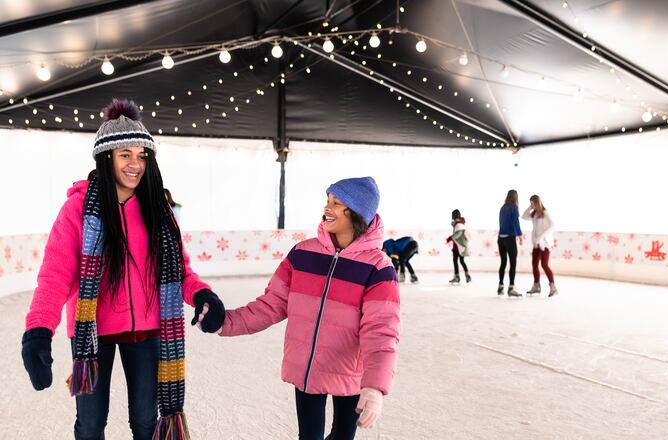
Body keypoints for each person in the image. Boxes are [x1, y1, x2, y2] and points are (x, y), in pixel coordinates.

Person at [20, 99, 225, 440]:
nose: (135, 164)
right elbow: (55, 274)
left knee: (146, 421)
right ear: (107, 157)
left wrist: (203, 294)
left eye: (141, 155)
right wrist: (38, 329)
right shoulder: (77, 209)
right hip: (91, 334)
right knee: (90, 424)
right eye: (125, 155)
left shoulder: (159, 210)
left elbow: (180, 271)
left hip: (146, 330)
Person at [200, 176, 400, 440]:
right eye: (327, 200)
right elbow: (270, 305)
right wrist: (225, 321)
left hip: (350, 372)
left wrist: (375, 387)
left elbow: (381, 332)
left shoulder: (377, 268)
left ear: (358, 213)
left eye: (336, 203)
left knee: (342, 436)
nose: (327, 208)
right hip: (308, 370)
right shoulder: (303, 254)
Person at [523, 195, 558, 297]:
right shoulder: (534, 214)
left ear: (537, 203)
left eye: (532, 203)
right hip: (536, 244)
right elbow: (524, 216)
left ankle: (553, 287)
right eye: (530, 203)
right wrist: (530, 208)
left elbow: (552, 226)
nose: (531, 205)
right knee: (534, 264)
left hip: (545, 244)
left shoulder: (545, 213)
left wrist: (541, 237)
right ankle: (536, 286)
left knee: (544, 264)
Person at [498, 190, 523, 297]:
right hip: (510, 239)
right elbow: (516, 222)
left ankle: (500, 286)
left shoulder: (503, 208)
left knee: (503, 262)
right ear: (515, 197)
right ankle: (511, 287)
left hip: (501, 238)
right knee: (513, 263)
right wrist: (520, 235)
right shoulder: (514, 207)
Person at [446, 209, 471, 284]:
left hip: (460, 246)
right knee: (456, 261)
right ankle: (458, 276)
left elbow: (458, 234)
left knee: (461, 261)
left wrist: (450, 238)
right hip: (456, 246)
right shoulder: (459, 223)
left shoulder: (459, 224)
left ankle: (466, 276)